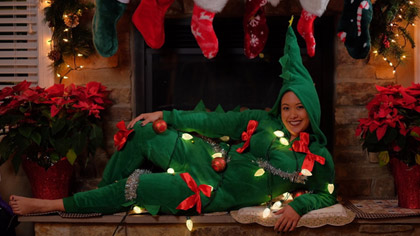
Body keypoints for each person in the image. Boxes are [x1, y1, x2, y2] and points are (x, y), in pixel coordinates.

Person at [9, 24, 336, 233]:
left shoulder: (318, 157)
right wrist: (162, 115)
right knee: (144, 132)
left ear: (313, 109)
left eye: (300, 108)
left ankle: (53, 205)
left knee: (139, 187)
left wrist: (298, 205)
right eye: (286, 107)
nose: (292, 115)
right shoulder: (264, 120)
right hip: (208, 155)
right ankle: (99, 201)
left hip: (211, 192)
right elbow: (212, 121)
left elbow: (324, 193)